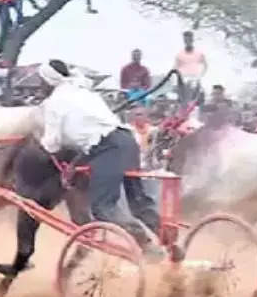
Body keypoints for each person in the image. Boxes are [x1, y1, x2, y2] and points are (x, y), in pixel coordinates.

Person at [38, 59, 163, 258]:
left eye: (41, 81)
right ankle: (169, 241)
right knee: (138, 200)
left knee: (103, 207)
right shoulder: (83, 91)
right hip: (126, 140)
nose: (40, 86)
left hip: (107, 148)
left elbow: (53, 142)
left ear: (49, 81)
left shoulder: (54, 104)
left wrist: (42, 144)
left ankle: (147, 246)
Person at [173, 30, 207, 103]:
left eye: (189, 39)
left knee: (196, 99)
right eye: (185, 39)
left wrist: (199, 77)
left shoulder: (199, 53)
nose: (187, 41)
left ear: (192, 39)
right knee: (182, 101)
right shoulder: (179, 54)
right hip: (183, 81)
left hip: (195, 80)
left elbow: (205, 66)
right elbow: (175, 69)